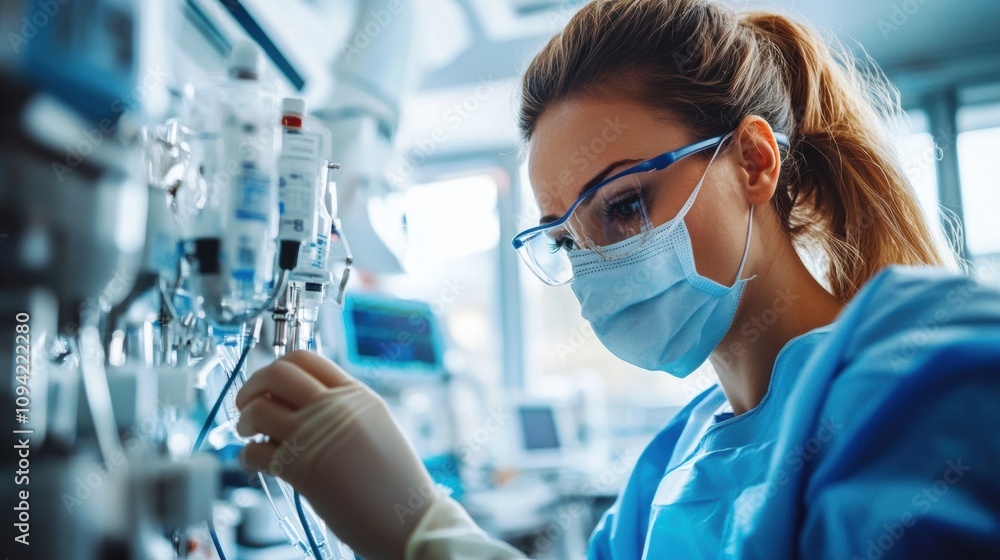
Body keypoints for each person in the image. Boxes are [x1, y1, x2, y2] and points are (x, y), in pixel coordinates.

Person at [234, 0, 1000, 558]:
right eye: (567, 241)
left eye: (625, 205)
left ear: (755, 163)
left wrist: (425, 537)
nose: (598, 261)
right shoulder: (670, 464)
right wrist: (426, 528)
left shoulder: (926, 366)